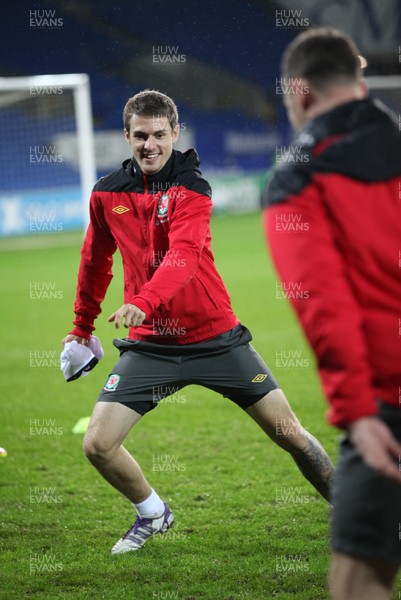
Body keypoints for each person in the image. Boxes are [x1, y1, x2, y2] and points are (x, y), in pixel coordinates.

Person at [63, 89, 334, 556]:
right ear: (126, 136)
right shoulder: (107, 193)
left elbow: (184, 257)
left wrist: (143, 302)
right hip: (150, 347)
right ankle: (152, 512)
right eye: (140, 136)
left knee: (289, 433)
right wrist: (81, 327)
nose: (150, 145)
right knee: (97, 445)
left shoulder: (193, 189)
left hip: (215, 338)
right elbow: (95, 261)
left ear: (175, 134)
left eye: (159, 135)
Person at [262, 27, 401, 600]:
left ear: (300, 93)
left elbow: (325, 304)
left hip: (386, 402)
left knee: (357, 582)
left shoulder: (299, 174)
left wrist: (356, 413)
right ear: (361, 83)